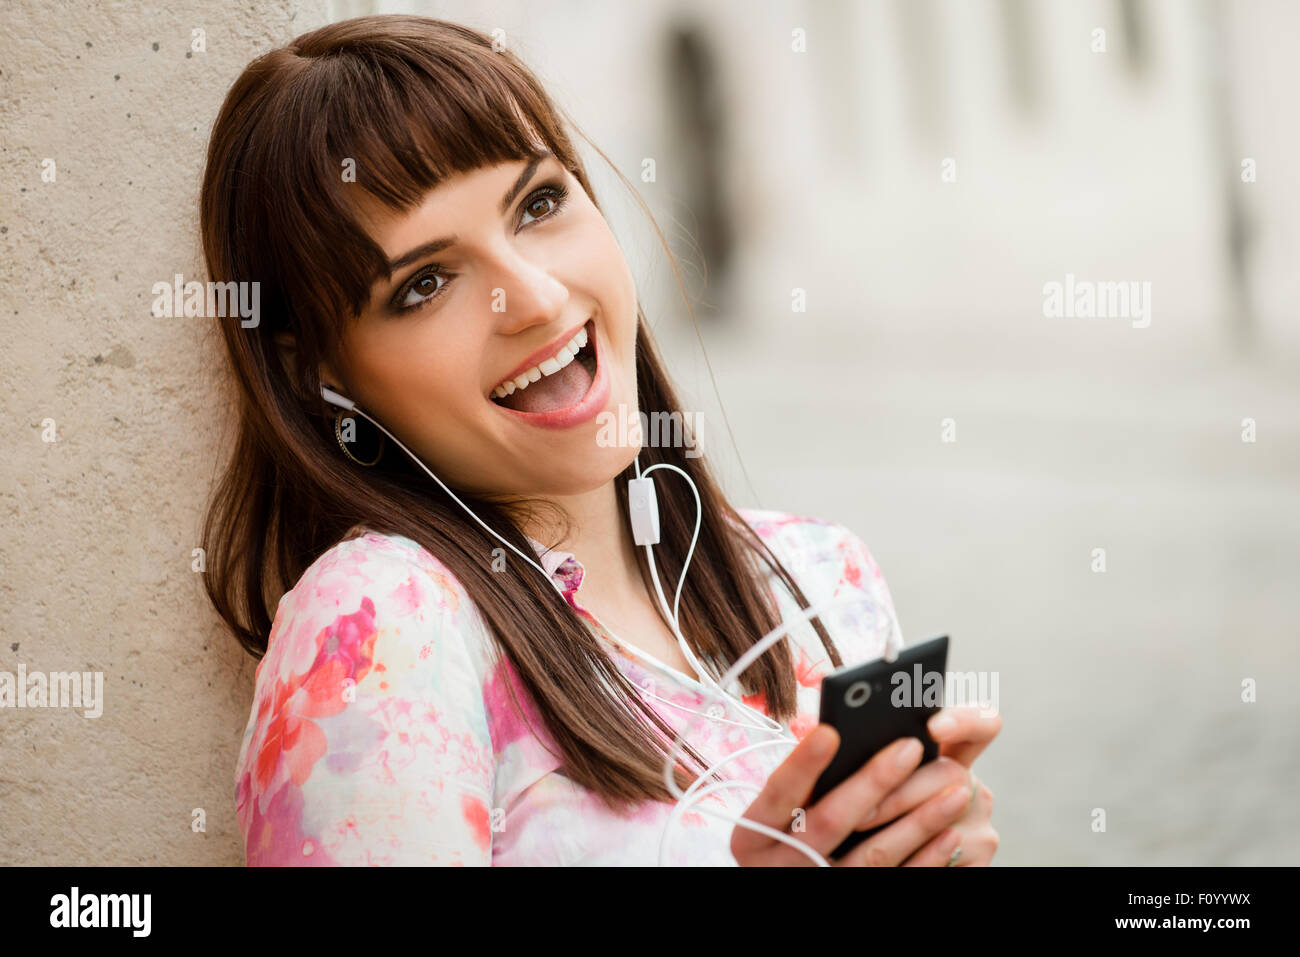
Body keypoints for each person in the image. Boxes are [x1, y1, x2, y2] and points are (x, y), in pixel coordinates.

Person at [199, 13, 1000, 866]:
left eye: (539, 203)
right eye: (425, 283)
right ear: (324, 375)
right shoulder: (379, 624)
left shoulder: (822, 578)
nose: (536, 298)